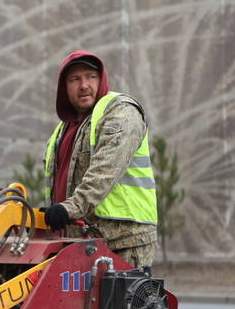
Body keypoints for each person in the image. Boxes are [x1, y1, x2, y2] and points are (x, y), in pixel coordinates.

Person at [41, 50, 157, 269]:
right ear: (64, 88)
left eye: (90, 76)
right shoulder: (63, 131)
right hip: (81, 244)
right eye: (75, 79)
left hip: (123, 243)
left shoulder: (121, 112)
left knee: (117, 304)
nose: (84, 85)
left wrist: (68, 209)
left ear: (101, 79)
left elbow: (105, 171)